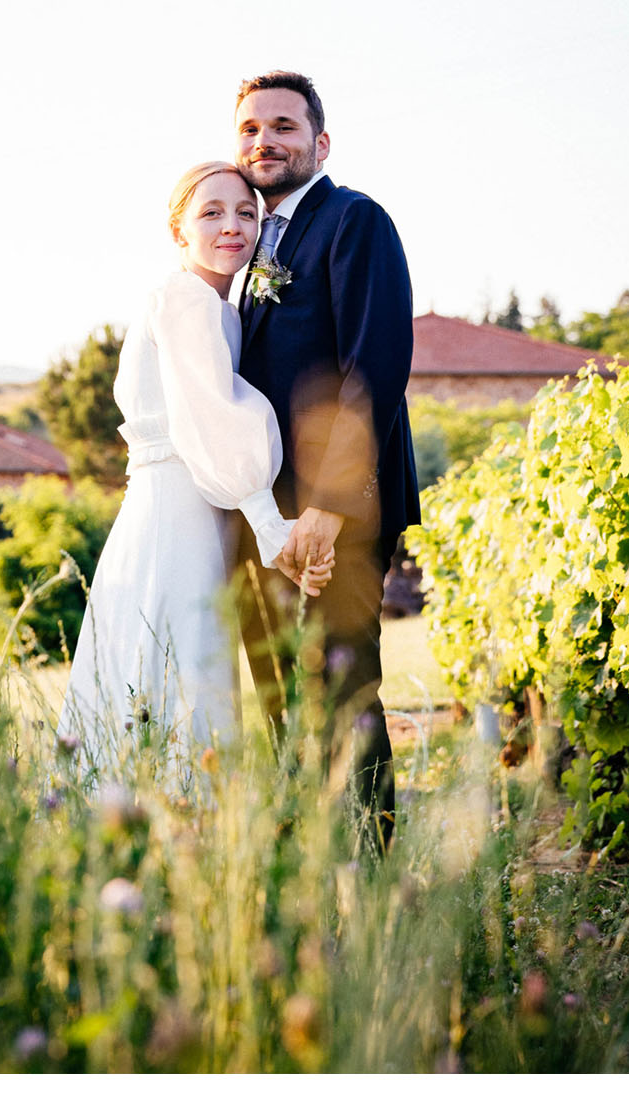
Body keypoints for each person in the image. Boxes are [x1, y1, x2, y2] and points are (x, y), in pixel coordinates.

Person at [58, 162, 331, 786]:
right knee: (178, 662)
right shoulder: (186, 299)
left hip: (190, 506)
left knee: (170, 664)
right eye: (211, 213)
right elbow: (211, 415)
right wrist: (269, 523)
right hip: (177, 509)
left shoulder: (215, 305)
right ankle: (176, 824)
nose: (232, 226)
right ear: (177, 230)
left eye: (245, 213)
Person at [230, 71, 421, 843]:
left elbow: (373, 365)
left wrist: (328, 504)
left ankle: (372, 870)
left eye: (281, 125)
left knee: (341, 685)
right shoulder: (244, 244)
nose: (263, 141)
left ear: (320, 141)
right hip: (263, 513)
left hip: (339, 511)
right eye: (248, 129)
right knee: (277, 691)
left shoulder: (353, 220)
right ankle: (306, 860)